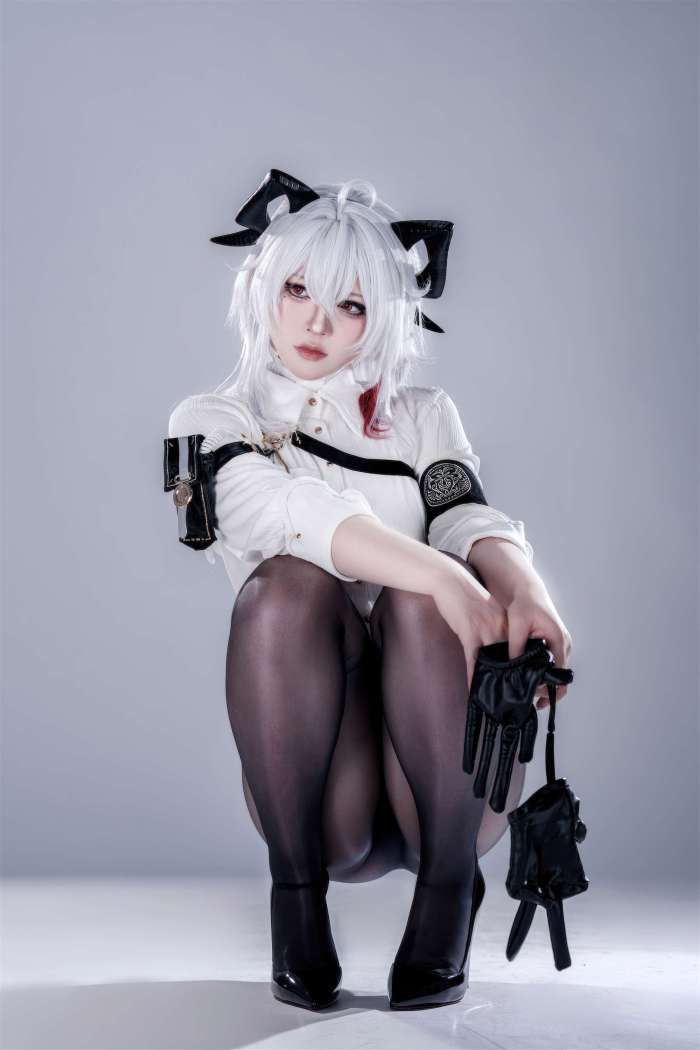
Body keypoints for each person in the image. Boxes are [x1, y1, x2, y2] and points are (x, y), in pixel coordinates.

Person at [167, 170, 573, 1011]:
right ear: (263, 289)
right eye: (298, 291)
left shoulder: (423, 416)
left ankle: (448, 893)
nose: (316, 323)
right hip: (323, 795)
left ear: (384, 316)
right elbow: (288, 511)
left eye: (350, 305)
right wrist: (443, 576)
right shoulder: (213, 421)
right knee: (283, 588)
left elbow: (463, 511)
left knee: (424, 600)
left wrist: (524, 585)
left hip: (448, 782)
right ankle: (295, 896)